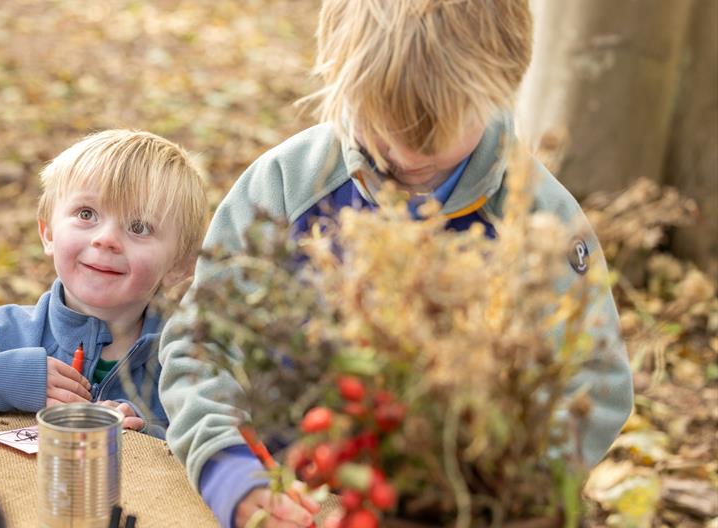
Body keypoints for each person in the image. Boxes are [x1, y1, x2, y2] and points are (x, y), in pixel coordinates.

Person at [158, 0, 633, 526]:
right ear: (338, 79)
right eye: (383, 128)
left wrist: (508, 488)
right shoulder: (288, 187)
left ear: (501, 87)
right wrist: (231, 473)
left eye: (435, 132)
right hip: (290, 492)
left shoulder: (539, 223)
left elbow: (594, 386)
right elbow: (204, 345)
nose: (405, 156)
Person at [0, 129, 208, 439]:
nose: (106, 239)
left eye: (139, 227)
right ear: (48, 233)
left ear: (180, 265)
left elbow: (230, 438)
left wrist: (148, 433)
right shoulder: (5, 333)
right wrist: (2, 377)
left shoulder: (187, 363)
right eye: (87, 213)